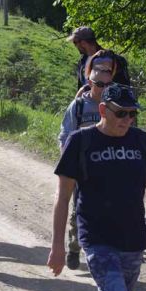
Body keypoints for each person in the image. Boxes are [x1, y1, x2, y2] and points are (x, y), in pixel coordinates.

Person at [48, 84, 146, 291]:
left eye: (132, 113)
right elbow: (63, 196)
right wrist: (58, 246)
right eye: (121, 113)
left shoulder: (141, 140)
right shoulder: (80, 141)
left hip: (133, 239)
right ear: (103, 109)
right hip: (98, 238)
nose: (127, 119)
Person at [58, 53, 113, 270]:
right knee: (78, 211)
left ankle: (100, 252)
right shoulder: (79, 106)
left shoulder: (114, 107)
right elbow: (65, 135)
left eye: (107, 84)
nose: (103, 88)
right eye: (99, 83)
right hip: (82, 169)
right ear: (90, 82)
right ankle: (73, 246)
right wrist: (68, 164)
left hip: (108, 168)